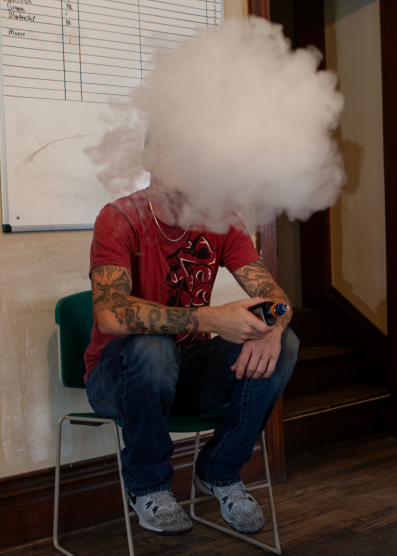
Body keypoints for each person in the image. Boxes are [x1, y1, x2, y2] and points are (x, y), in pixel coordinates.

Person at [84, 173, 298, 537]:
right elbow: (110, 312)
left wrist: (272, 326)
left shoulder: (221, 220)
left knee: (285, 343)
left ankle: (220, 470)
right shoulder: (119, 217)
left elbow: (276, 300)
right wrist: (210, 318)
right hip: (118, 380)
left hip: (186, 375)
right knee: (153, 345)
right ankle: (147, 484)